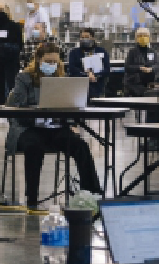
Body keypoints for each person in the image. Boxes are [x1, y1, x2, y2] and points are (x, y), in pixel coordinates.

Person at [6, 41, 104, 202]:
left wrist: (71, 123)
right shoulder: (24, 78)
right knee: (33, 147)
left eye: (54, 62)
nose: (51, 65)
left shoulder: (62, 78)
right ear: (38, 59)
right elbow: (18, 108)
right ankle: (31, 196)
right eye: (48, 61)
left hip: (55, 127)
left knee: (80, 146)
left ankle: (92, 192)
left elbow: (69, 104)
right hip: (29, 127)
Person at [66, 26, 112, 98]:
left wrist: (95, 75)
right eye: (82, 37)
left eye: (87, 37)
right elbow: (72, 68)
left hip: (97, 86)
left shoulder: (102, 51)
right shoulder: (74, 52)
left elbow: (107, 69)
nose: (84, 39)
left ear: (93, 38)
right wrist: (86, 75)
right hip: (79, 87)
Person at [121, 27, 157, 93]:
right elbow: (127, 67)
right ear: (136, 38)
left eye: (145, 35)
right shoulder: (132, 52)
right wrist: (140, 68)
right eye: (140, 36)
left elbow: (157, 65)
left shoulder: (152, 52)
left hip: (149, 84)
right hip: (133, 85)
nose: (143, 38)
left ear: (149, 38)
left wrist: (151, 69)